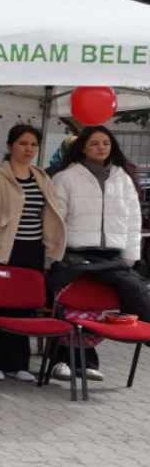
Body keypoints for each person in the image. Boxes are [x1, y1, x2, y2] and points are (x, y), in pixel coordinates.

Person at [48, 125, 149, 381]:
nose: (101, 148)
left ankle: (85, 361)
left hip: (111, 256)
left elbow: (133, 219)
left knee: (130, 292)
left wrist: (130, 255)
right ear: (82, 147)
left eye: (105, 143)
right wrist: (52, 255)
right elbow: (54, 220)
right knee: (72, 306)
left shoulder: (122, 177)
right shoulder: (66, 177)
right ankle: (62, 361)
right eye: (94, 143)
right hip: (75, 252)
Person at [0, 124, 65, 382]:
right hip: (3, 252)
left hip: (32, 250)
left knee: (24, 309)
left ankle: (18, 363)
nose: (28, 149)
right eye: (23, 143)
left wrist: (49, 255)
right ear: (10, 146)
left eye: (33, 144)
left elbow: (48, 216)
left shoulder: (41, 177)